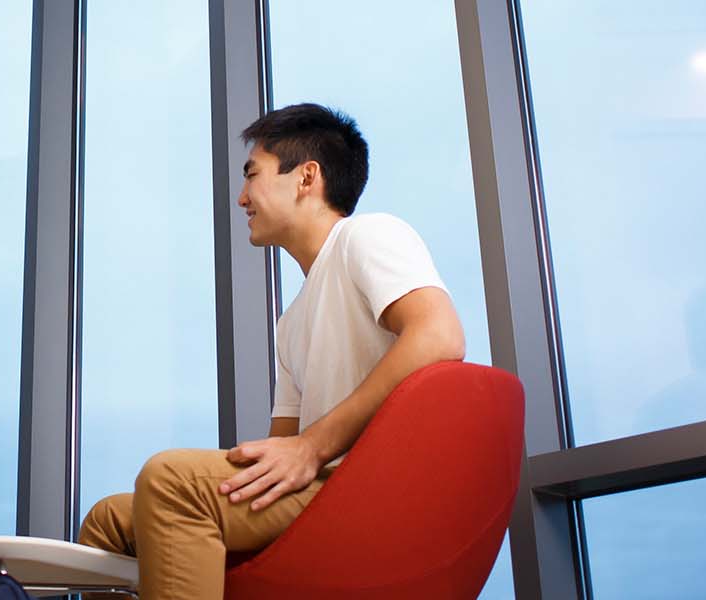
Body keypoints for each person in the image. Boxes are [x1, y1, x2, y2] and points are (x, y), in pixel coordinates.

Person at [76, 103, 468, 599]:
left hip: (373, 486)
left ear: (306, 178)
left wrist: (313, 446)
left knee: (169, 477)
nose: (242, 198)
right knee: (110, 517)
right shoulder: (293, 321)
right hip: (326, 488)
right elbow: (279, 446)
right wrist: (294, 450)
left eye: (252, 176)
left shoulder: (367, 235)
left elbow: (439, 336)